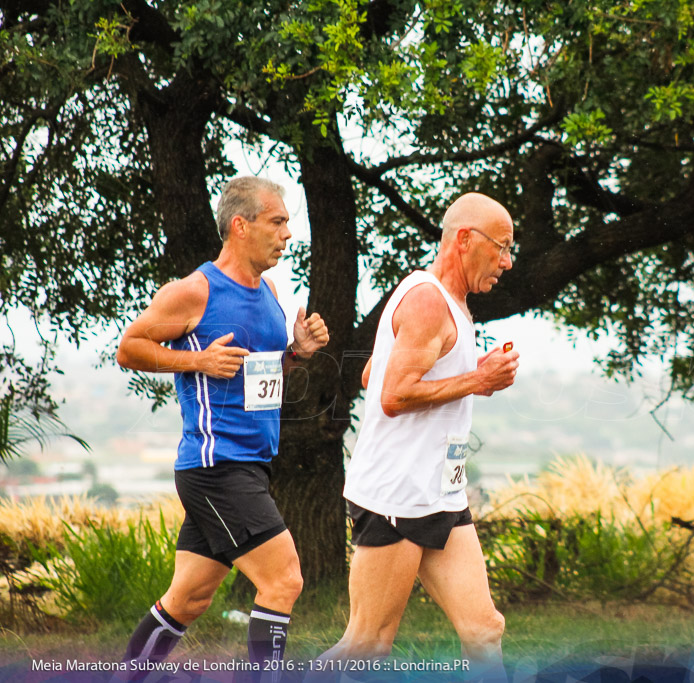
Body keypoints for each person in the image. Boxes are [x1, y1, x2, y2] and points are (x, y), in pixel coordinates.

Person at [115, 176, 329, 679]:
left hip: (249, 465)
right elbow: (128, 348)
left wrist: (296, 353)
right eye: (277, 222)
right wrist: (198, 362)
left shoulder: (271, 292)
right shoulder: (195, 291)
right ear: (241, 225)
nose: (287, 235)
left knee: (187, 600)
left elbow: (263, 374)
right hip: (217, 467)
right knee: (284, 581)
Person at [314, 192, 519, 678]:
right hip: (397, 495)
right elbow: (392, 395)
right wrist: (477, 381)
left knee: (485, 629)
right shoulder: (428, 300)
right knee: (367, 644)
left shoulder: (449, 300)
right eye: (502, 247)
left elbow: (371, 375)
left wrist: (469, 369)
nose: (508, 263)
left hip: (441, 494)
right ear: (465, 239)